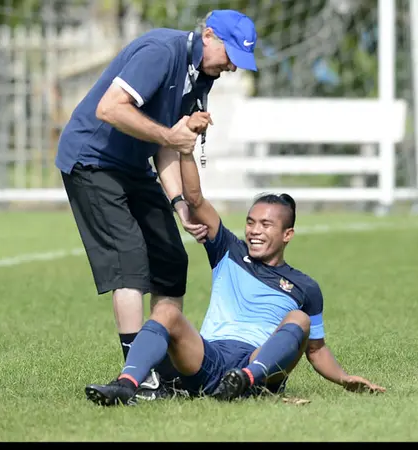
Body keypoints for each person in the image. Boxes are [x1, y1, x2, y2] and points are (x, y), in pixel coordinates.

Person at [84, 113, 386, 405]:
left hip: (258, 364)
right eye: (251, 222)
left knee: (300, 319)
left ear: (287, 235)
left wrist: (344, 378)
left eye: (265, 225)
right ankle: (127, 386)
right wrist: (186, 152)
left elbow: (316, 350)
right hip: (209, 357)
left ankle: (244, 381)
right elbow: (196, 200)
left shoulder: (305, 287)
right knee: (166, 311)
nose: (254, 231)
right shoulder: (229, 250)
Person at [54, 9, 257, 392]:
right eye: (231, 55)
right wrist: (169, 137)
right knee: (130, 261)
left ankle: (162, 367)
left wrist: (179, 204)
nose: (233, 67)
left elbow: (167, 144)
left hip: (133, 165)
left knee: (170, 257)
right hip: (91, 160)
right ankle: (140, 375)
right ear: (209, 35)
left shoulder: (202, 77)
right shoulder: (161, 52)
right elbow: (110, 108)